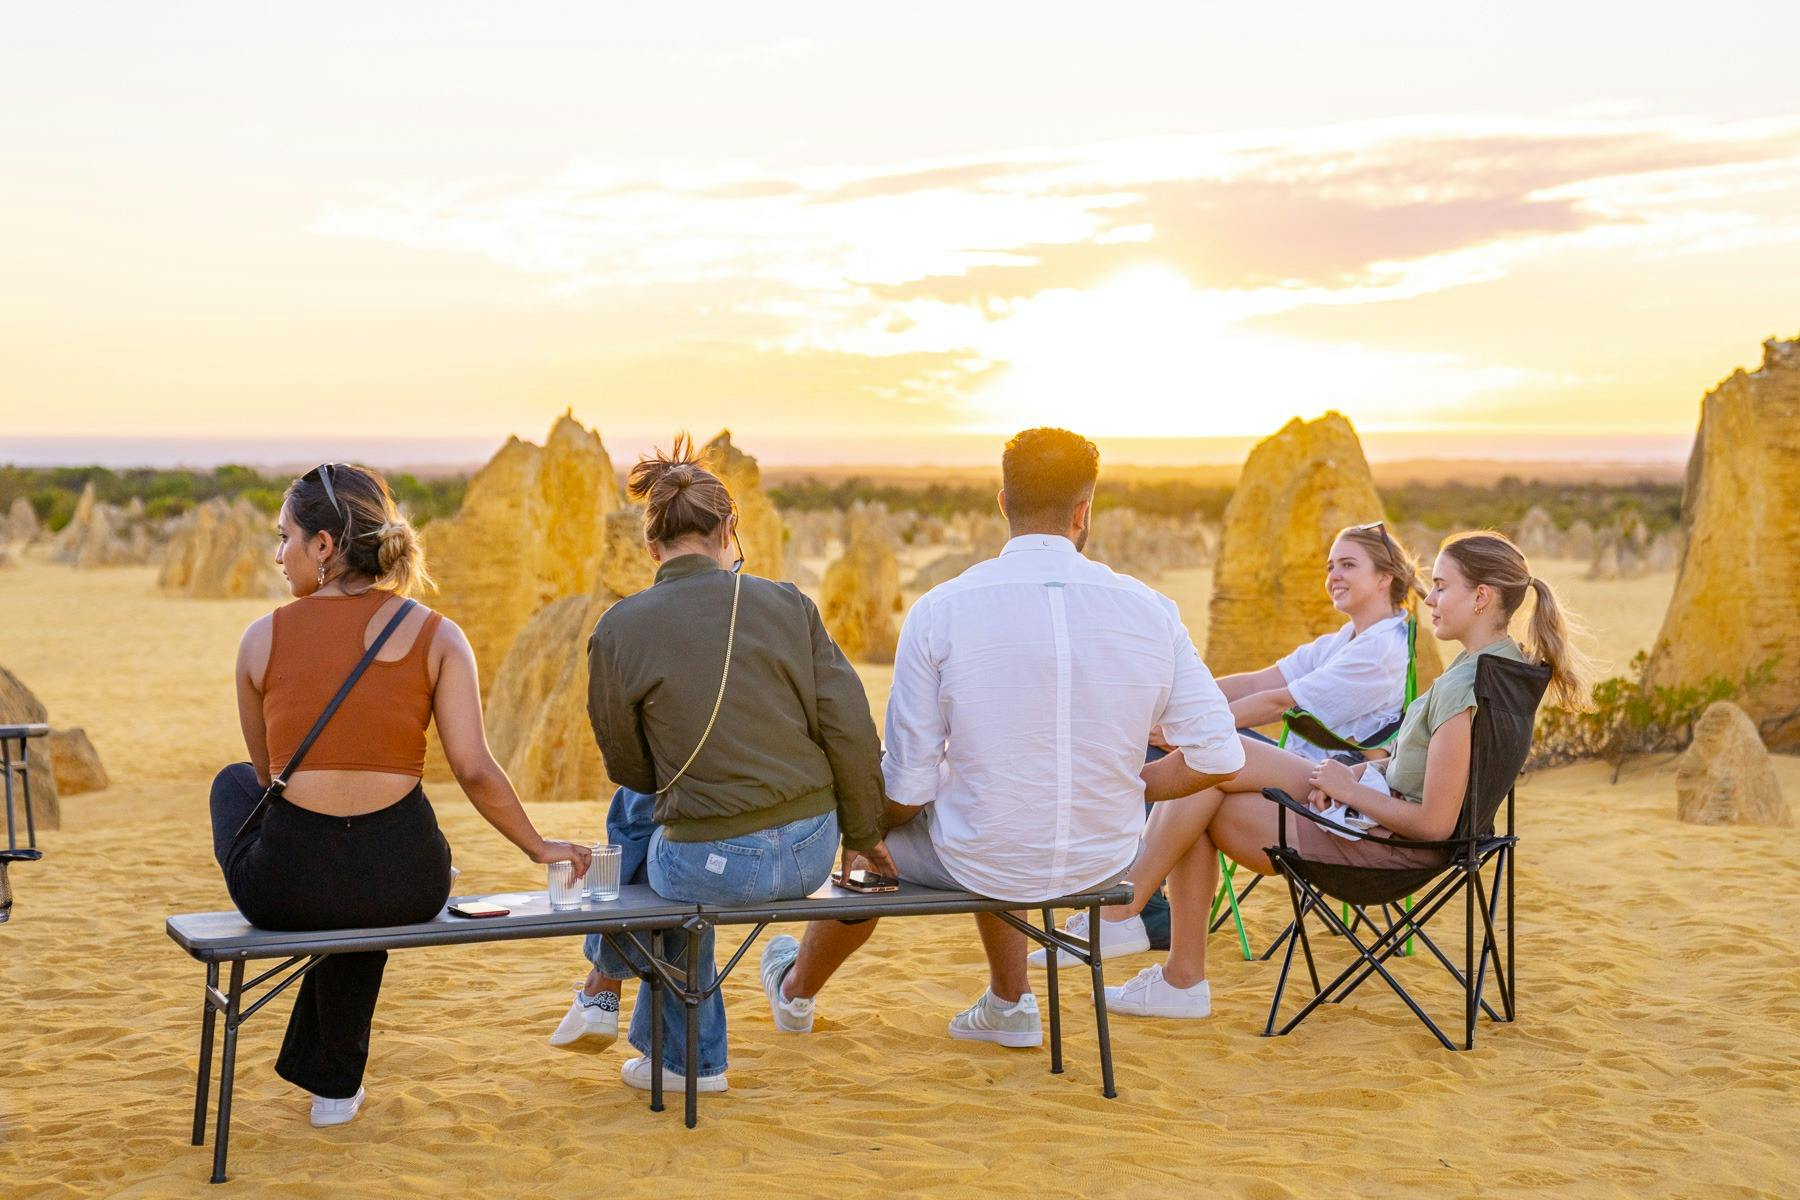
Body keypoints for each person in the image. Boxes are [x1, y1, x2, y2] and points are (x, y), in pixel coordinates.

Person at [758, 427, 1245, 1048]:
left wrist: (868, 829)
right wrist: (1139, 782)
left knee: (889, 846)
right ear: (1083, 511)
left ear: (1001, 503)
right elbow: (1220, 754)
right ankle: (1006, 1002)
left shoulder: (941, 608)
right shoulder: (1151, 610)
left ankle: (796, 992)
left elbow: (908, 781)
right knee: (996, 804)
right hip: (1107, 857)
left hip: (984, 852)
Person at [209, 463, 591, 1128]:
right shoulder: (440, 635)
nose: (278, 555)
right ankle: (333, 1084)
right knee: (360, 887)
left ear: (323, 546)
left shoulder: (259, 640)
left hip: (287, 887)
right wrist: (539, 847)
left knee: (235, 787)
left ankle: (331, 1082)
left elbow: (273, 780)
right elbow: (474, 770)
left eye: (285, 538)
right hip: (408, 881)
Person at [1100, 530, 1591, 1019]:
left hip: (1384, 850)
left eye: (1442, 586)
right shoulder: (1500, 669)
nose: (1431, 598)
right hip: (1370, 813)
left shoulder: (1464, 687)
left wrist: (1341, 785)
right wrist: (1357, 774)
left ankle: (1134, 922)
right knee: (1215, 767)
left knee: (1213, 769)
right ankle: (1149, 942)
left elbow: (1434, 825)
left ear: (1481, 597)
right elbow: (1421, 770)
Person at [554, 435, 889, 1095]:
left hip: (713, 868)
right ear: (730, 530)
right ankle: (634, 1029)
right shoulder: (791, 605)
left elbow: (631, 767)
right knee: (659, 834)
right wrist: (865, 840)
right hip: (810, 851)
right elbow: (848, 727)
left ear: (651, 547)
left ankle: (667, 1045)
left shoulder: (620, 627)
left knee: (646, 834)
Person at [1058, 520, 1425, 959]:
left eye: (1348, 565)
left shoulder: (1380, 647)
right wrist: (1182, 699)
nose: (1334, 576)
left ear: (1384, 577)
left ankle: (1136, 909)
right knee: (1194, 762)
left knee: (1200, 759)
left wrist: (1188, 727)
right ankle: (1151, 927)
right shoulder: (1343, 639)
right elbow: (1256, 680)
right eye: (1330, 566)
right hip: (1300, 768)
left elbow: (1275, 702)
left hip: (1333, 784)